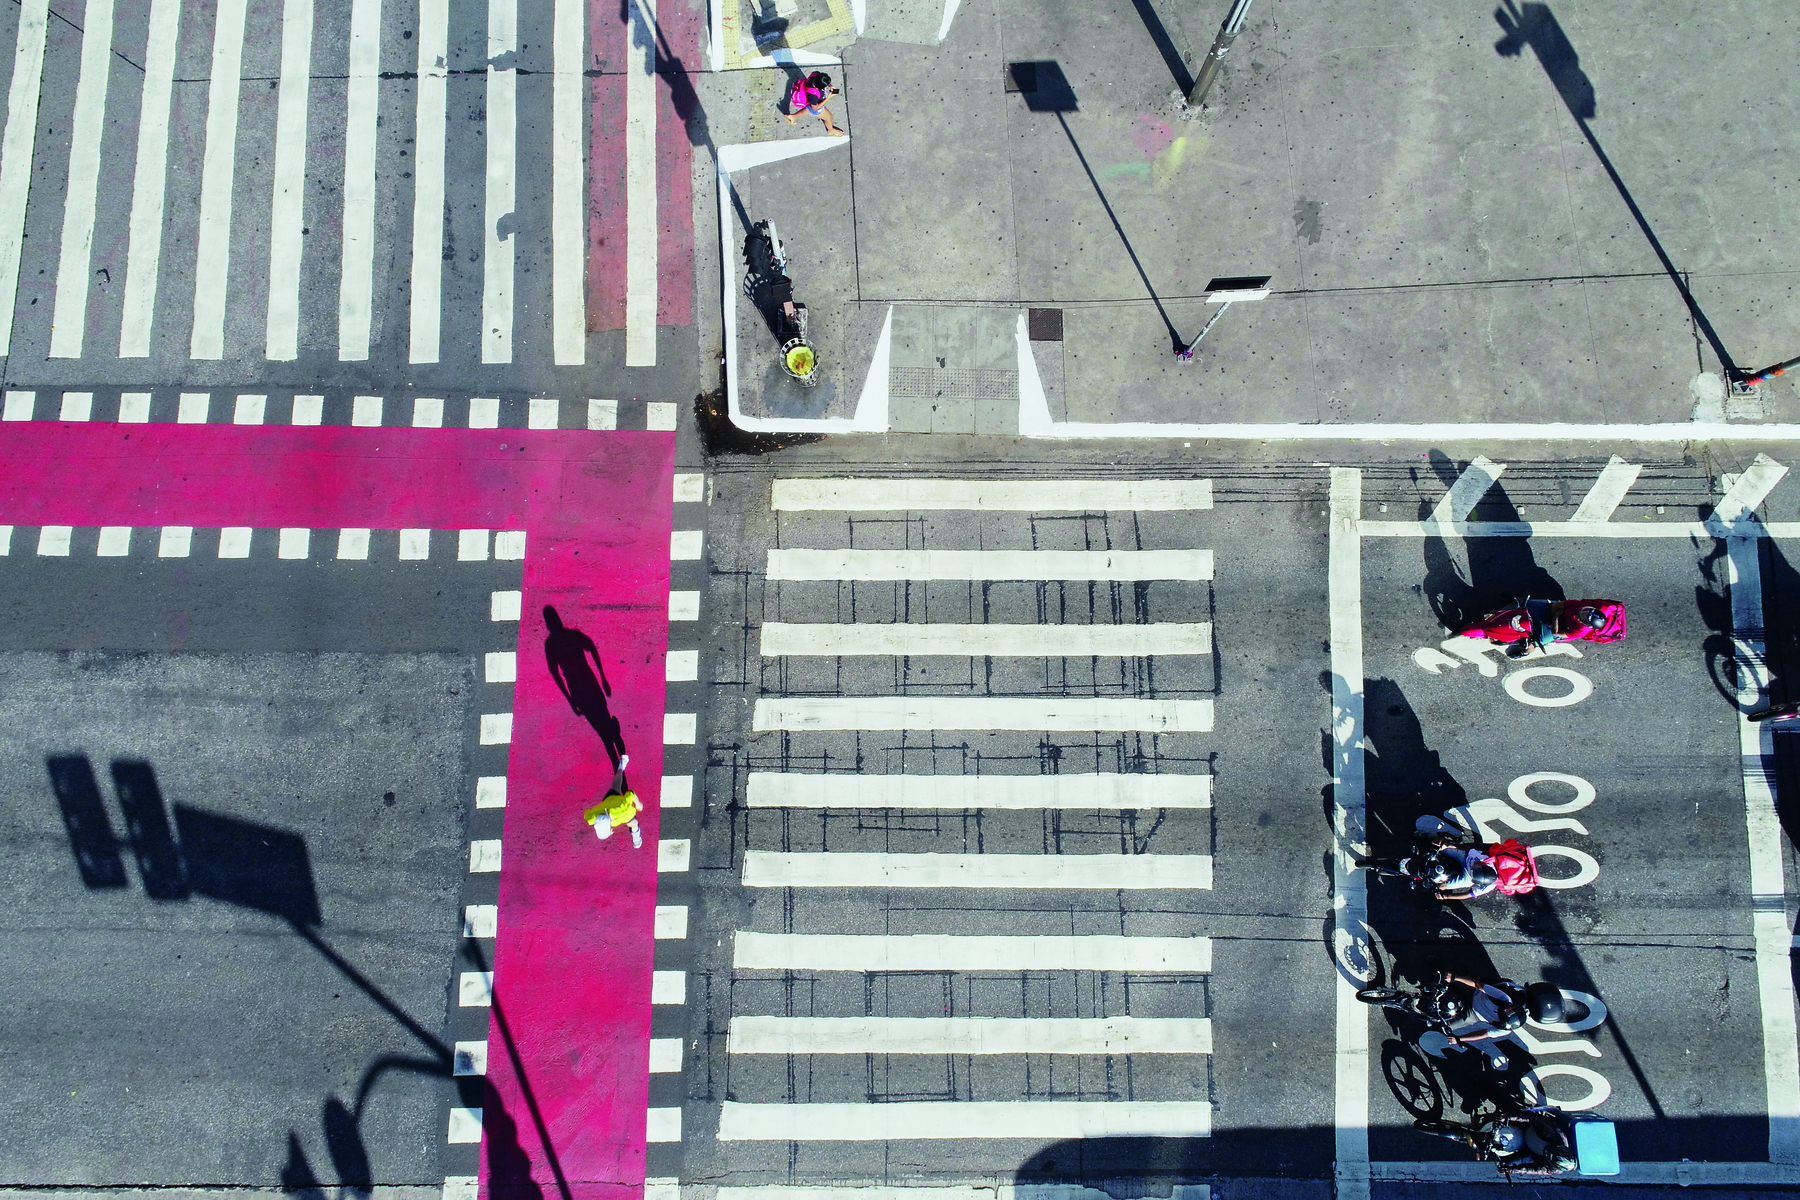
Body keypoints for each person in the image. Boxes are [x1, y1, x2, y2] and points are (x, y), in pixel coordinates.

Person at [584, 755, 644, 848]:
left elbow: (630, 794)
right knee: (616, 785)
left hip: (625, 813)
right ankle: (621, 766)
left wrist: (638, 804)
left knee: (632, 823)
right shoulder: (591, 818)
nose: (611, 832)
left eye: (609, 830)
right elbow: (586, 813)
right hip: (609, 801)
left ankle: (636, 833)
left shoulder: (621, 810)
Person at [785, 71, 845, 136]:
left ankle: (792, 117)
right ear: (818, 88)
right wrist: (828, 97)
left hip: (810, 103)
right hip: (816, 106)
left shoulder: (815, 75)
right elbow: (815, 108)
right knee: (828, 117)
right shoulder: (813, 96)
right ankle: (830, 130)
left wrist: (829, 85)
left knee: (808, 109)